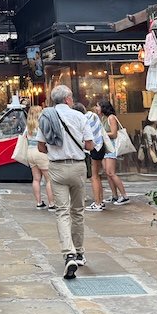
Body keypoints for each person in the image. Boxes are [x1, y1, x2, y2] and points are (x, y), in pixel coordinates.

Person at [38, 85, 94, 280]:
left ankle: (68, 254)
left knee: (62, 211)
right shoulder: (79, 116)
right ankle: (79, 252)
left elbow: (40, 146)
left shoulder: (46, 117)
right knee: (77, 211)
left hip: (57, 167)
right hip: (77, 166)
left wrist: (55, 150)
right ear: (68, 99)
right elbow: (89, 144)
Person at [74, 102, 107, 211]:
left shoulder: (83, 120)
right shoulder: (92, 115)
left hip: (93, 148)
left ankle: (97, 203)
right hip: (100, 145)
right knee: (97, 176)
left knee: (94, 177)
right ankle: (100, 201)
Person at [97, 100, 130, 205]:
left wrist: (102, 135)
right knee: (107, 173)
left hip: (111, 147)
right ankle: (114, 195)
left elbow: (114, 134)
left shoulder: (111, 118)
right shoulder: (103, 118)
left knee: (111, 172)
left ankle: (124, 196)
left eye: (98, 106)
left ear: (103, 107)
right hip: (105, 147)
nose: (96, 108)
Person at [26, 105, 55, 210]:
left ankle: (39, 203)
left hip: (30, 152)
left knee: (36, 179)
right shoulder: (42, 125)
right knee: (49, 179)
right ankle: (51, 203)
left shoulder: (28, 126)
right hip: (40, 152)